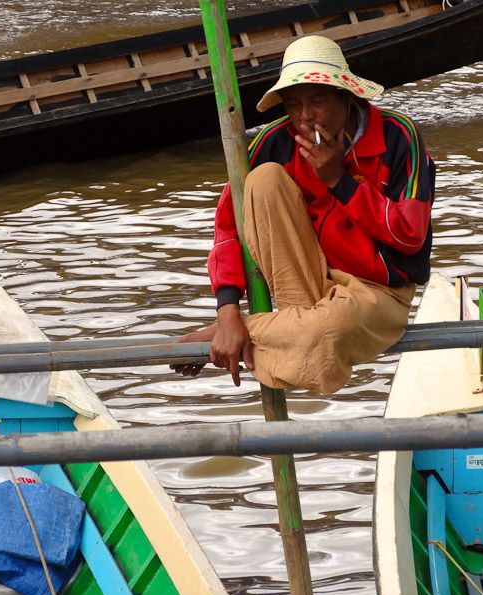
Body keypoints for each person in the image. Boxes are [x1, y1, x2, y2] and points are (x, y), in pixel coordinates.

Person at [172, 35, 435, 394]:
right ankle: (272, 329)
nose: (305, 116)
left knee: (329, 330)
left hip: (376, 294)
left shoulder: (398, 135)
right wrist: (227, 311)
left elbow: (409, 234)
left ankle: (247, 332)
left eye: (318, 101)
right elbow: (228, 230)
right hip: (304, 286)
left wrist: (339, 182)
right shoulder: (272, 142)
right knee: (262, 180)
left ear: (347, 96)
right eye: (294, 105)